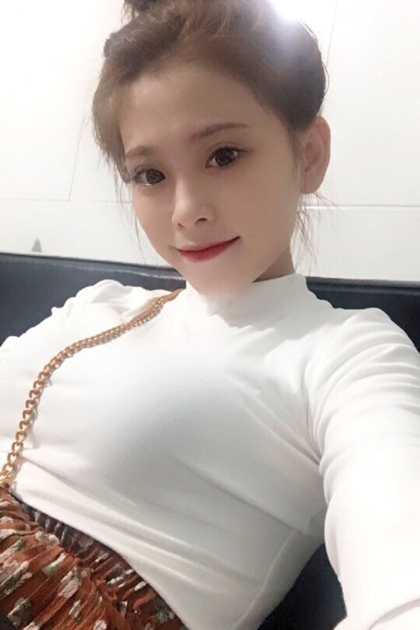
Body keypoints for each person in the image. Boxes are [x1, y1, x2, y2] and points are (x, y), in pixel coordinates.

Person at [1, 0, 419, 629]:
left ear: (308, 154)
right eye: (150, 174)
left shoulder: (347, 353)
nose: (185, 211)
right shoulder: (103, 304)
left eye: (223, 155)